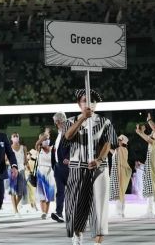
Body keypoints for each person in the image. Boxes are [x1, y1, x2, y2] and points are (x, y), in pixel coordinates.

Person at [64, 89, 117, 245]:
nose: (90, 103)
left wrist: (100, 160)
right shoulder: (70, 121)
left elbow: (108, 143)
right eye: (85, 100)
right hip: (77, 167)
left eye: (93, 101)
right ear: (79, 103)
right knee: (76, 203)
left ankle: (97, 242)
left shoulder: (105, 122)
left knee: (100, 207)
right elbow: (67, 137)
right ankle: (77, 234)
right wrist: (82, 119)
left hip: (99, 168)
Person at [135, 123, 155, 218]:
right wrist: (143, 165)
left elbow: (148, 139)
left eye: (152, 134)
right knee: (151, 192)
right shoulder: (152, 145)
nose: (150, 135)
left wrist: (140, 132)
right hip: (152, 169)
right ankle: (150, 211)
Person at [51, 112, 71, 223]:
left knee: (71, 191)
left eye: (56, 122)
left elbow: (73, 146)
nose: (56, 124)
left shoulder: (69, 132)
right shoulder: (59, 134)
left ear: (59, 121)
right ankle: (59, 213)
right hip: (58, 167)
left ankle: (74, 212)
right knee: (60, 191)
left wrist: (69, 158)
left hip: (67, 166)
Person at [109, 135, 132, 218]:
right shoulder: (122, 150)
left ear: (122, 141)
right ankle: (120, 212)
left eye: (119, 140)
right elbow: (115, 154)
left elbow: (119, 160)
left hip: (120, 172)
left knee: (119, 192)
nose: (117, 141)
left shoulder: (120, 150)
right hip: (121, 172)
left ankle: (119, 212)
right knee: (121, 193)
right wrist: (107, 148)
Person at [34, 129, 55, 219]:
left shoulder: (53, 148)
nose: (45, 140)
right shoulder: (39, 149)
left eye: (47, 139)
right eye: (43, 139)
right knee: (41, 193)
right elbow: (37, 144)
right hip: (41, 171)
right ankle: (43, 212)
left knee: (49, 193)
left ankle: (46, 212)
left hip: (50, 171)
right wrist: (45, 135)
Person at [9, 132, 28, 218]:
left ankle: (15, 206)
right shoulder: (9, 148)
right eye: (14, 136)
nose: (16, 137)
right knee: (13, 191)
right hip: (13, 171)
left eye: (17, 136)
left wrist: (27, 165)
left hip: (21, 170)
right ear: (11, 139)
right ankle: (16, 210)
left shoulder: (23, 148)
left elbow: (25, 160)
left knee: (21, 192)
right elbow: (5, 159)